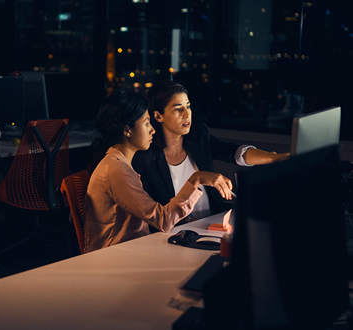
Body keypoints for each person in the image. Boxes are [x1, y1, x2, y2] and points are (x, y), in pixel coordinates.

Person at [83, 90, 232, 252]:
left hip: (133, 250)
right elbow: (163, 220)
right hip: (115, 256)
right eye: (147, 123)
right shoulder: (116, 169)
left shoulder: (120, 163)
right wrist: (196, 179)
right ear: (127, 130)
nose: (153, 130)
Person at [132, 81, 289, 220]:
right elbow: (153, 213)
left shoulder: (199, 136)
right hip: (176, 233)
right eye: (178, 109)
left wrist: (272, 158)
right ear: (158, 116)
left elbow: (232, 151)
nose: (187, 114)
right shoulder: (145, 158)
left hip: (213, 221)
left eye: (188, 106)